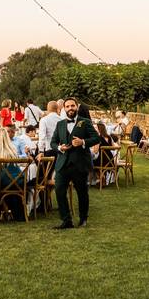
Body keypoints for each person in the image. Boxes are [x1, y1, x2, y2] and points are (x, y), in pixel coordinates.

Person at [50, 98, 100, 229]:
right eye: (67, 106)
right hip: (63, 164)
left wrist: (83, 142)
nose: (70, 108)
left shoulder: (85, 122)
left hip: (80, 164)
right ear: (64, 109)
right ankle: (66, 220)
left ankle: (83, 219)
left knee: (82, 192)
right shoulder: (60, 124)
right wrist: (60, 148)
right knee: (59, 191)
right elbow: (53, 142)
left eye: (72, 106)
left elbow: (96, 138)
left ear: (76, 107)